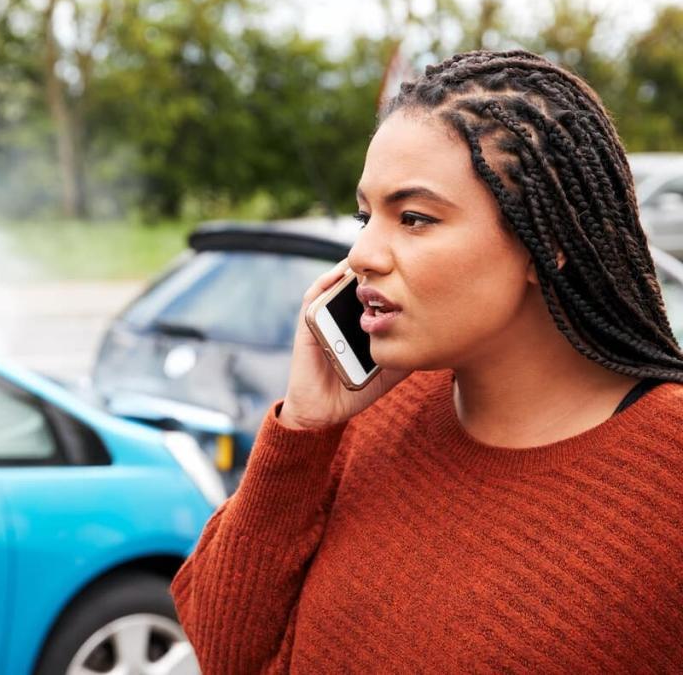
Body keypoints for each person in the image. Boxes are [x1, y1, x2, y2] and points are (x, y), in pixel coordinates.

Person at [169, 49, 683, 673]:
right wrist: (303, 429)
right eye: (367, 216)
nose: (362, 254)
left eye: (413, 218)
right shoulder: (369, 418)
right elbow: (225, 651)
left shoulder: (666, 471)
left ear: (545, 242)